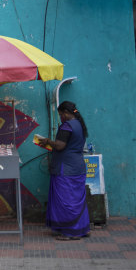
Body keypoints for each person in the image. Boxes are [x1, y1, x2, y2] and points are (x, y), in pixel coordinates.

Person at [38, 101, 90, 240]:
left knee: (66, 201)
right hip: (78, 166)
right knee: (77, 199)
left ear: (66, 113)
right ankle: (81, 228)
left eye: (61, 114)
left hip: (65, 168)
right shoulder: (80, 124)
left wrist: (48, 141)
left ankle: (69, 232)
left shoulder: (67, 126)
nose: (60, 117)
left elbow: (60, 145)